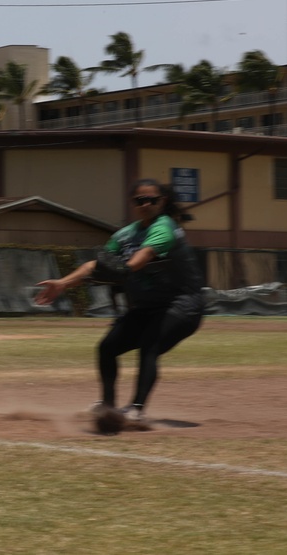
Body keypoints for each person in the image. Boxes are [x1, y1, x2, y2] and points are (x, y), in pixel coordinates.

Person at [34, 178, 205, 424]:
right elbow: (96, 265)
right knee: (107, 348)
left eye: (152, 200)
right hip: (148, 308)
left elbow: (141, 259)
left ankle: (136, 409)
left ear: (162, 201)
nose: (145, 204)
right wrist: (63, 283)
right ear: (132, 203)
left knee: (150, 344)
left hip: (183, 304)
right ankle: (108, 405)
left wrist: (124, 268)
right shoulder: (125, 234)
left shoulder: (164, 228)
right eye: (139, 200)